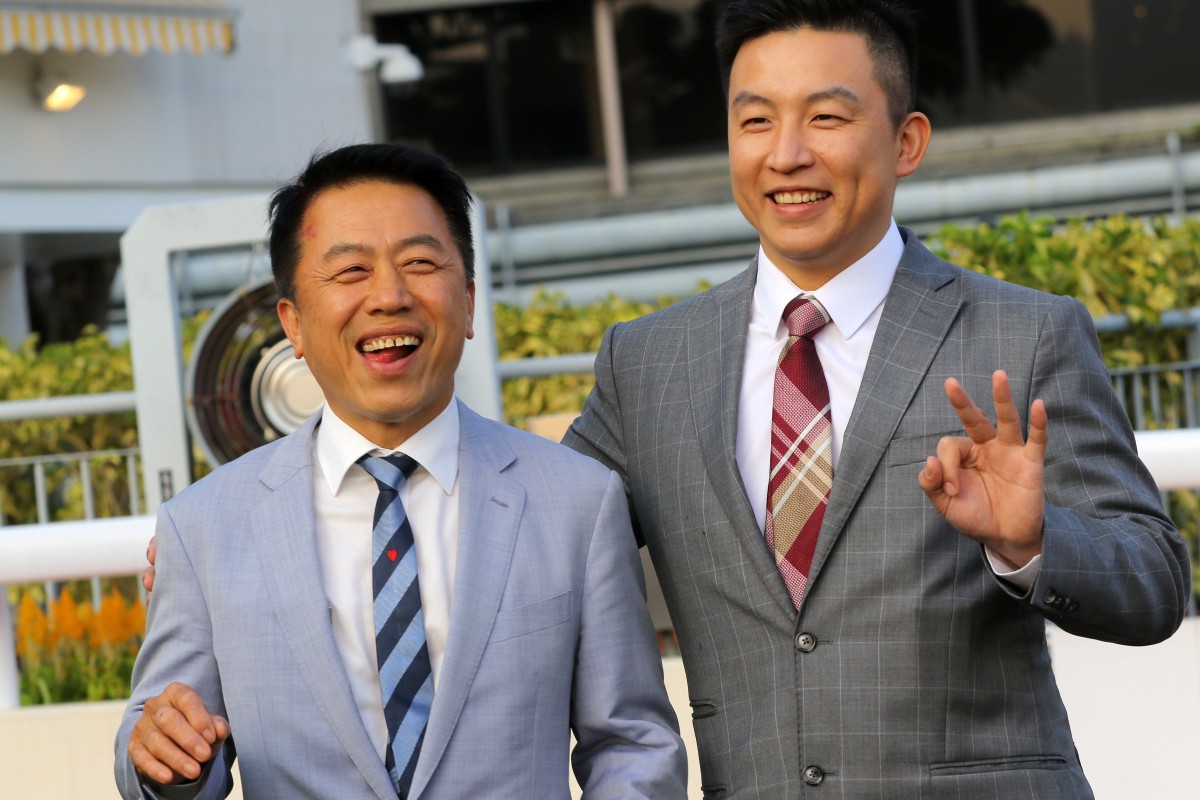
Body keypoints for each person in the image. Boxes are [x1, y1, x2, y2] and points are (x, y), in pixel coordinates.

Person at [559, 1, 1191, 798]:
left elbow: (1156, 583)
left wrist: (1031, 544)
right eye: (755, 120)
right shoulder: (646, 363)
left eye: (826, 117)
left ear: (906, 141)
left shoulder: (1026, 333)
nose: (786, 154)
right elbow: (543, 557)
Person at [115, 143, 687, 800]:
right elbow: (158, 739)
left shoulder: (577, 501)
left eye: (419, 263)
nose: (388, 296)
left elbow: (632, 741)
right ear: (293, 324)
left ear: (468, 302)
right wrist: (167, 760)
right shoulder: (204, 527)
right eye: (350, 271)